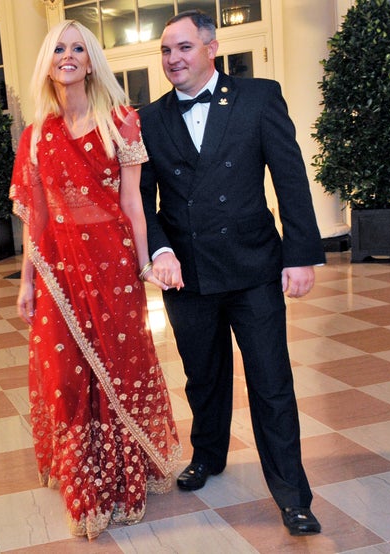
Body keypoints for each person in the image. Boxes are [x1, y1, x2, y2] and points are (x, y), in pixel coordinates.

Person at [139, 10, 325, 536]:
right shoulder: (149, 119)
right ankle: (208, 455)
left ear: (211, 48)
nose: (173, 59)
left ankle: (293, 495)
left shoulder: (258, 98)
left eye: (184, 48)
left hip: (253, 269)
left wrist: (299, 255)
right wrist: (159, 250)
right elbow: (142, 204)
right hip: (187, 276)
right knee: (204, 376)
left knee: (271, 382)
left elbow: (290, 178)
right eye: (166, 51)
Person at [10, 20, 182, 540]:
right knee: (64, 376)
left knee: (118, 366)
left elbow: (133, 202)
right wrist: (26, 282)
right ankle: (83, 481)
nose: (68, 56)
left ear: (91, 61)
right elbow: (36, 219)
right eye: (59, 49)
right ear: (49, 63)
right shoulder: (36, 136)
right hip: (59, 271)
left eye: (78, 48)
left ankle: (123, 478)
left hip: (113, 267)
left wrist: (146, 259)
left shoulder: (120, 121)